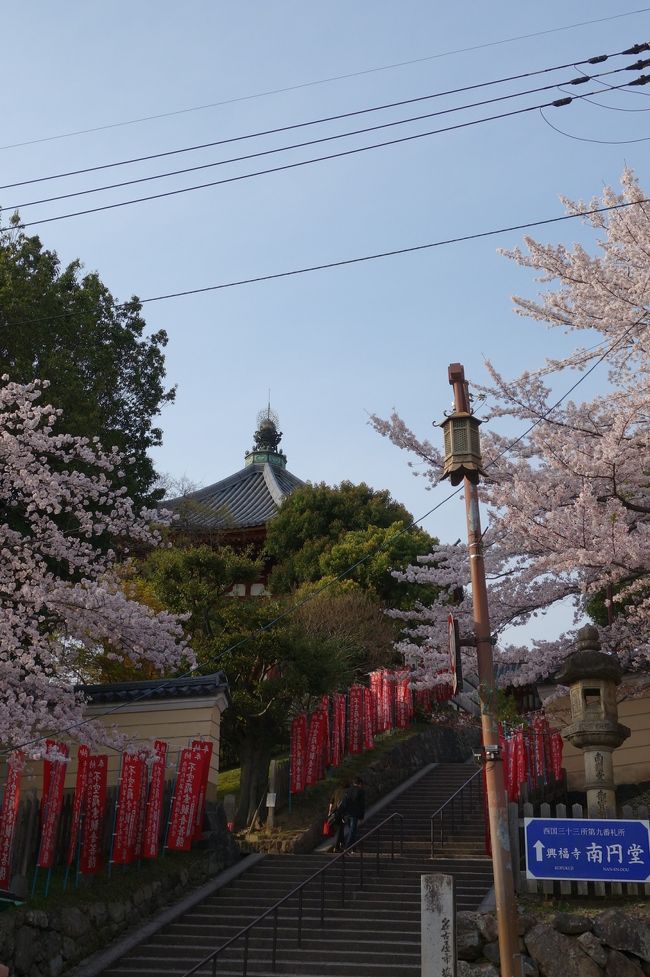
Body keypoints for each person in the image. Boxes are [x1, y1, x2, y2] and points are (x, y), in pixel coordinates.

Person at [327, 781, 349, 852]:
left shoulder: (336, 791)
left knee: (340, 829)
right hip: (341, 813)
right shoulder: (346, 793)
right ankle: (337, 847)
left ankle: (341, 844)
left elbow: (331, 802)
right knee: (340, 829)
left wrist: (329, 812)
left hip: (334, 812)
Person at [344, 776, 365, 847]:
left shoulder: (348, 790)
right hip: (355, 813)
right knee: (353, 831)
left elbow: (344, 802)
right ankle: (347, 847)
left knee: (351, 830)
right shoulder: (360, 791)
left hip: (347, 813)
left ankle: (353, 848)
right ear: (360, 783)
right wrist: (362, 817)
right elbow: (362, 804)